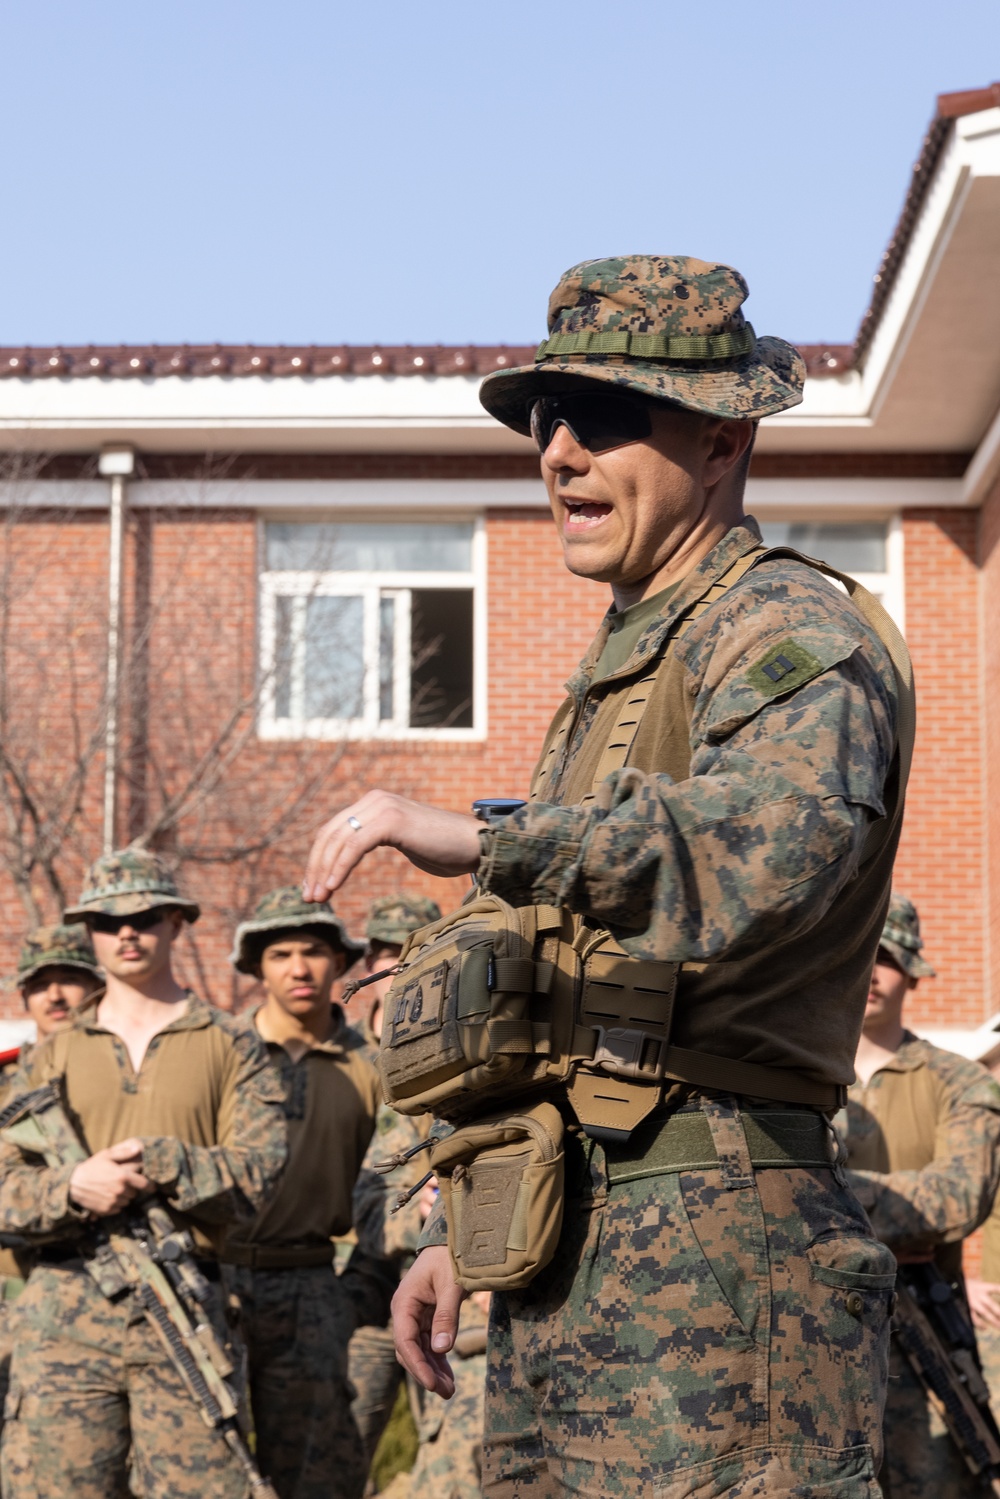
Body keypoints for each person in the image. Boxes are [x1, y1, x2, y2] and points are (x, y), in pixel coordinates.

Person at [302, 255, 911, 1496]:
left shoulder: (786, 628)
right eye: (545, 417)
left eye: (606, 415)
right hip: (564, 1240)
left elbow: (772, 847)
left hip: (723, 1252)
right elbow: (559, 989)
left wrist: (492, 833)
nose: (559, 453)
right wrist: (462, 1222)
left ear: (724, 437)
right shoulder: (623, 667)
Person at [0, 849, 288, 1499]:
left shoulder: (231, 1043)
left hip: (184, 1302)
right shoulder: (51, 1053)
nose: (126, 932)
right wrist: (72, 1187)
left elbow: (262, 1175)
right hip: (64, 1311)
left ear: (176, 922)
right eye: (107, 920)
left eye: (145, 916)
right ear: (90, 932)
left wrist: (163, 1160)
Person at [224, 885, 388, 1499]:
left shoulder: (374, 1068)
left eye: (314, 952)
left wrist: (356, 1293)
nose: (299, 969)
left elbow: (400, 1185)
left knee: (318, 1478)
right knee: (206, 1472)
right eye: (280, 954)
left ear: (339, 962)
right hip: (216, 1284)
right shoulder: (219, 1053)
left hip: (312, 1287)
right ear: (257, 968)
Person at [844, 893, 1000, 1497]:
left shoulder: (959, 1080)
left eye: (886, 955)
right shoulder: (788, 1082)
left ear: (911, 971)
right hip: (807, 1344)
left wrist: (821, 1208)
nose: (872, 969)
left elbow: (957, 1198)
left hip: (921, 1344)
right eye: (860, 950)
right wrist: (891, 1222)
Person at [0, 923, 105, 1471]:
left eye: (71, 979)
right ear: (25, 996)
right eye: (42, 984)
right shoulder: (5, 1079)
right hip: (13, 1289)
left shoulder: (120, 1075)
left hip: (105, 1291)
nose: (57, 995)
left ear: (97, 987)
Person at [347, 893, 441, 1469]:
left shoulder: (456, 1045)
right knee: (338, 1452)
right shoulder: (341, 1057)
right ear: (370, 962)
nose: (402, 963)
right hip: (357, 1283)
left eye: (418, 950)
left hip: (437, 1278)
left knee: (445, 1454)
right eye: (388, 950)